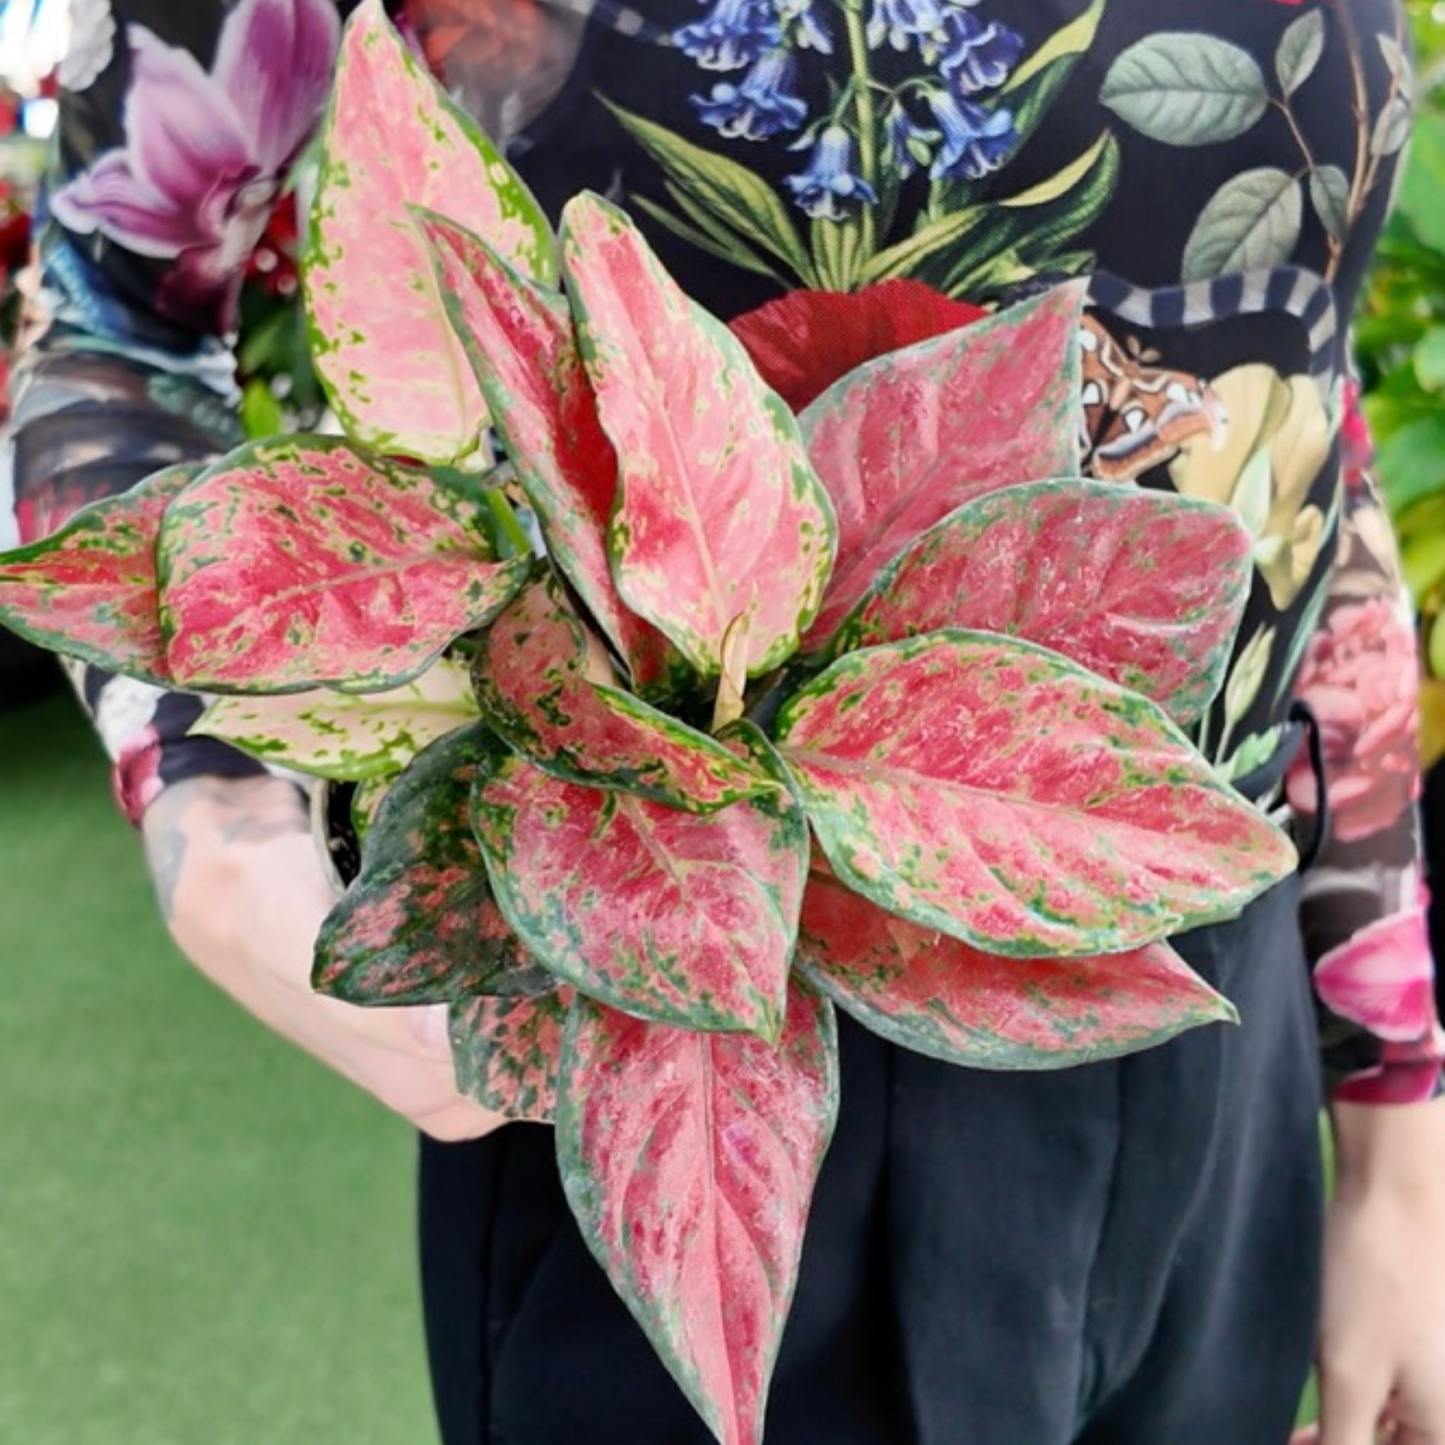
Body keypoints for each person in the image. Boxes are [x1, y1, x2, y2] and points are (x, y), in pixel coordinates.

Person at [9, 0, 1445, 1441]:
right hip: (687, 994)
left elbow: (1288, 369)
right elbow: (114, 317)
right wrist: (216, 810)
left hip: (1199, 1006)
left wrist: (1397, 1110)